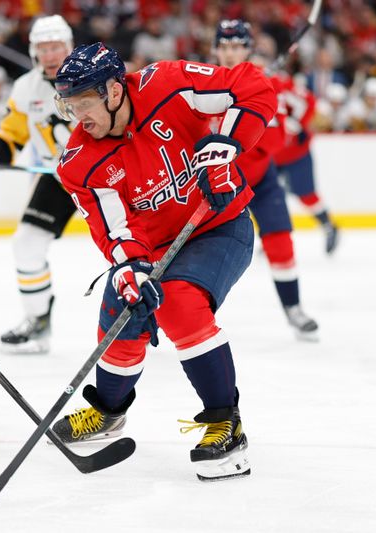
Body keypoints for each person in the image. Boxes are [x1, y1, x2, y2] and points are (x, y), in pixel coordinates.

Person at [51, 42, 277, 481]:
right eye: (70, 105)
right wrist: (131, 269)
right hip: (154, 249)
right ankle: (109, 412)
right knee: (122, 305)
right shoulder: (78, 162)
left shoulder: (167, 84)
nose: (79, 116)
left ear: (114, 91)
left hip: (219, 227)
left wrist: (225, 146)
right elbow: (114, 229)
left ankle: (225, 424)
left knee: (177, 301)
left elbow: (252, 87)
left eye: (85, 103)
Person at [0, 15, 76, 354]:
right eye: (43, 48)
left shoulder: (92, 76)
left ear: (68, 48)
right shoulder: (26, 87)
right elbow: (11, 137)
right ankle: (38, 319)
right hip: (58, 178)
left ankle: (149, 312)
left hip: (104, 178)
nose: (50, 54)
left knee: (129, 246)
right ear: (33, 51)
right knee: (26, 244)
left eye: (56, 46)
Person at [212, 20, 319, 340]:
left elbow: (274, 141)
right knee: (201, 254)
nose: (230, 53)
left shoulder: (263, 84)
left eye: (237, 47)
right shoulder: (200, 81)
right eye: (225, 46)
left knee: (280, 241)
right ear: (216, 49)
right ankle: (167, 316)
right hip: (217, 183)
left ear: (248, 49)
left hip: (259, 179)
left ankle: (294, 310)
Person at [274, 73, 340, 255]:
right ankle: (274, 237)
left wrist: (296, 123)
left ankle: (328, 225)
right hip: (271, 155)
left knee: (306, 195)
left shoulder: (280, 84)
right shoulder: (242, 85)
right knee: (271, 197)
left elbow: (309, 101)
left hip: (296, 154)